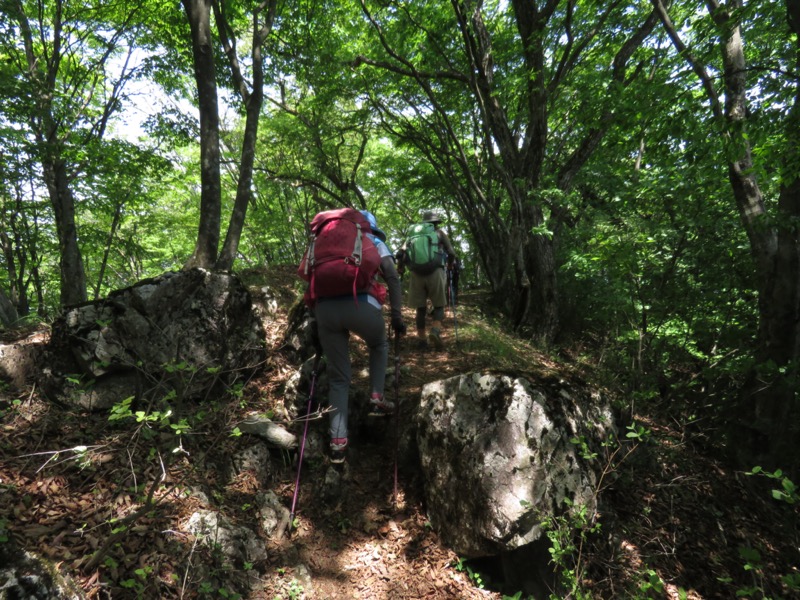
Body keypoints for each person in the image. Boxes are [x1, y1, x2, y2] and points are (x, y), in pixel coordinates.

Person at [312, 210, 405, 464]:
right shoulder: (374, 240)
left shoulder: (324, 241)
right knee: (378, 344)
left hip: (325, 309)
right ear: (371, 226)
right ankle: (376, 397)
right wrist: (397, 316)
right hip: (361, 305)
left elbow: (310, 279)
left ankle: (338, 443)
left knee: (339, 379)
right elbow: (392, 277)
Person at [398, 210, 457, 350]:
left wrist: (400, 268)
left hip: (416, 274)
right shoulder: (440, 233)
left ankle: (422, 340)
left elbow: (400, 254)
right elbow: (452, 253)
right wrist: (449, 265)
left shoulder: (413, 235)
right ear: (436, 223)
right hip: (435, 272)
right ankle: (435, 331)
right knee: (439, 306)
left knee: (420, 309)